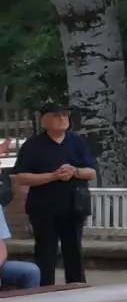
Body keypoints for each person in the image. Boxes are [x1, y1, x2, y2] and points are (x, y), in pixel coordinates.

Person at [11, 101, 98, 286]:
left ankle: (77, 286)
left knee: (74, 249)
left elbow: (91, 171)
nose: (62, 119)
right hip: (44, 208)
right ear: (45, 120)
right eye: (57, 115)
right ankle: (43, 287)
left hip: (74, 206)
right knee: (45, 251)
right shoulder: (33, 145)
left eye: (65, 115)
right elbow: (21, 177)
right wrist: (52, 176)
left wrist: (74, 171)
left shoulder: (77, 142)